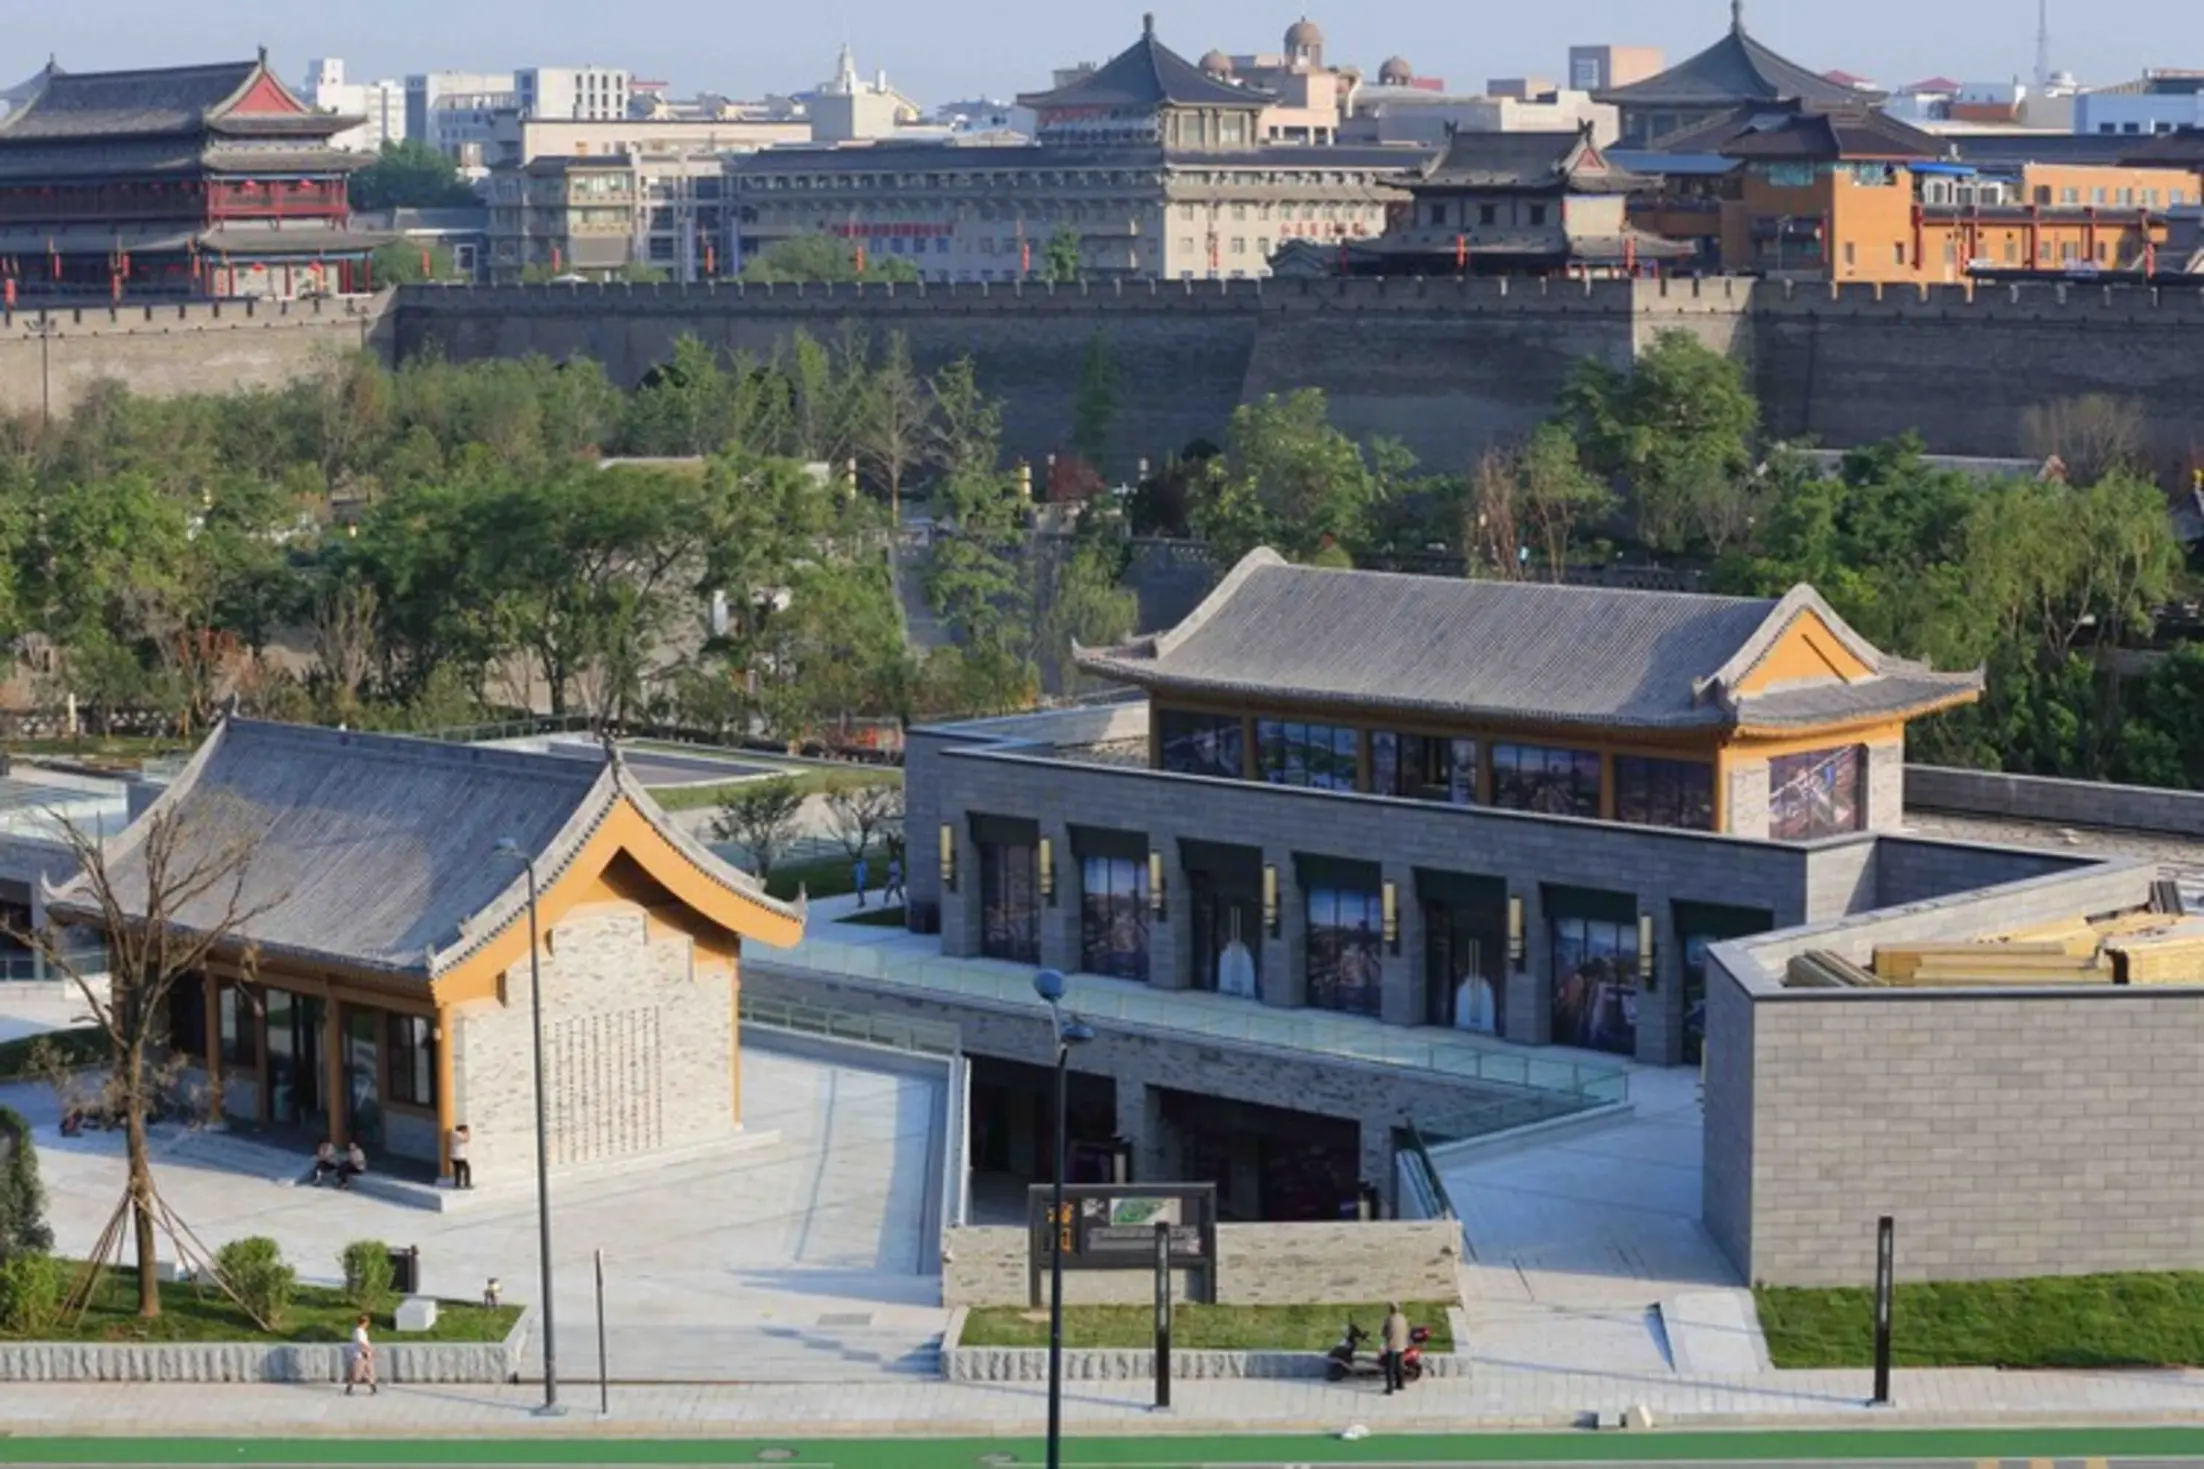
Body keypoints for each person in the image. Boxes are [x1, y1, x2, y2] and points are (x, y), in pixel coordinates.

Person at [345, 1313, 378, 1395]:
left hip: (366, 1354)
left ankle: (373, 1387)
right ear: (364, 1322)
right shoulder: (358, 1332)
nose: (368, 1324)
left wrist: (370, 1351)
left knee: (370, 1371)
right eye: (367, 1322)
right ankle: (350, 1386)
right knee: (357, 1374)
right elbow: (361, 1343)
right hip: (361, 1355)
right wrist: (369, 1349)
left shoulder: (362, 1331)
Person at [1381, 1302, 1410, 1395]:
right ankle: (1400, 1384)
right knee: (1399, 1366)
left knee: (1390, 1368)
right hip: (1402, 1345)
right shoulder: (1403, 1318)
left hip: (1392, 1346)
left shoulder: (1389, 1319)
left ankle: (1389, 1389)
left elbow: (1384, 1332)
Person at [448, 1123, 472, 1190]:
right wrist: (468, 1134)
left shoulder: (453, 1134)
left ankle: (457, 1184)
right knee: (467, 1168)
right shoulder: (459, 1135)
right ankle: (467, 1184)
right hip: (459, 1156)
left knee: (457, 1171)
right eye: (466, 1129)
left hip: (453, 1156)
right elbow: (466, 1140)